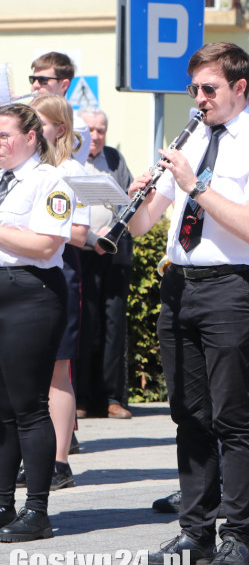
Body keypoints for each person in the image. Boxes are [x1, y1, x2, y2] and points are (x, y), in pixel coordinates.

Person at [127, 42, 249, 565]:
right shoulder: (195, 134)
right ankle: (195, 530)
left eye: (209, 89)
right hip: (182, 284)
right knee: (189, 415)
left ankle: (237, 534)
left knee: (233, 417)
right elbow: (144, 224)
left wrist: (193, 185)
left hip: (235, 287)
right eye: (194, 88)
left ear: (240, 88)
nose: (198, 99)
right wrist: (133, 198)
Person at [0, 103, 73, 542]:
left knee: (28, 406)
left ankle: (38, 509)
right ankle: (3, 502)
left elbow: (46, 245)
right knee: (0, 410)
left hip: (31, 294)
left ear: (31, 137)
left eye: (5, 136)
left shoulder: (50, 181)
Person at [29, 96, 90, 491]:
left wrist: (37, 230)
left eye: (40, 123)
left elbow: (82, 233)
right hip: (23, 273)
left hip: (60, 271)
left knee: (57, 371)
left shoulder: (72, 171)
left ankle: (59, 461)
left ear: (60, 129)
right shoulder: (25, 169)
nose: (33, 130)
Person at [77, 107, 134, 419]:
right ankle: (82, 398)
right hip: (82, 255)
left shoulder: (115, 159)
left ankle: (112, 397)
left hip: (114, 255)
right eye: (90, 130)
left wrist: (109, 236)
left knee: (114, 325)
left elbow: (127, 202)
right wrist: (90, 240)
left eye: (101, 130)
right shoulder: (70, 160)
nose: (96, 136)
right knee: (85, 324)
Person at [28, 52, 90, 166]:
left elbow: (53, 162)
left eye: (43, 80)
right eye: (33, 79)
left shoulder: (76, 125)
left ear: (64, 85)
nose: (35, 85)